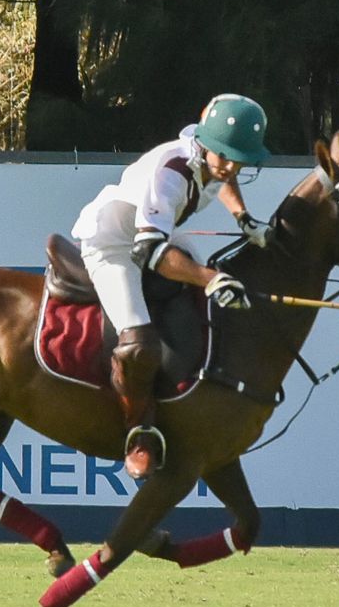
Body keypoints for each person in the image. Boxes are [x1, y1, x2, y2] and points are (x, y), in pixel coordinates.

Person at [70, 93, 274, 480]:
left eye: (240, 160)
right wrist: (209, 278)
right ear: (206, 144)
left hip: (157, 235)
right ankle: (139, 435)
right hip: (113, 243)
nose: (231, 167)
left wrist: (245, 219)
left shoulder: (214, 163)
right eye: (226, 156)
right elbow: (149, 252)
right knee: (138, 344)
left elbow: (222, 181)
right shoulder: (172, 171)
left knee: (205, 306)